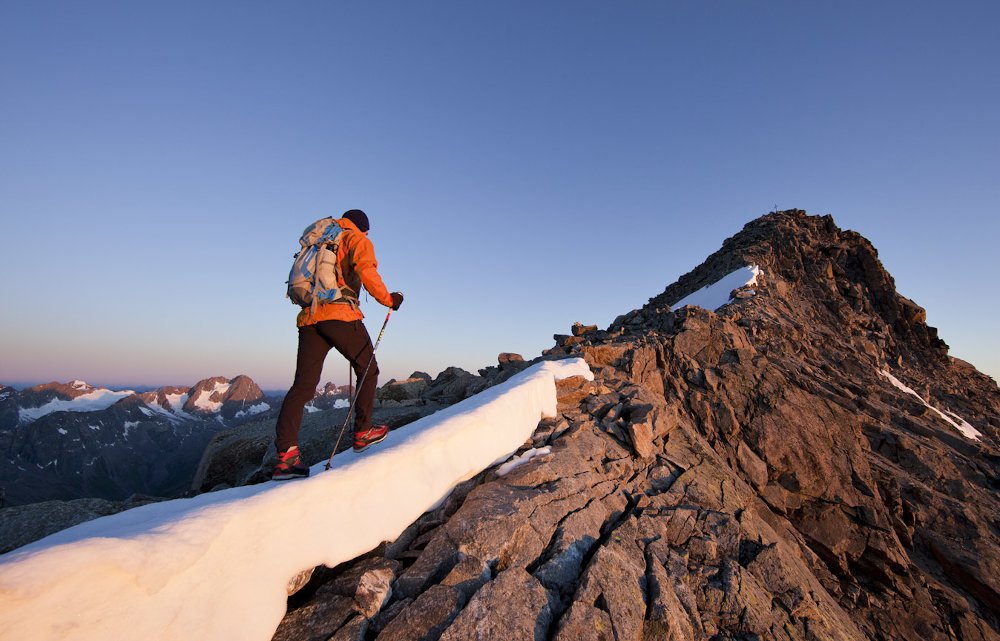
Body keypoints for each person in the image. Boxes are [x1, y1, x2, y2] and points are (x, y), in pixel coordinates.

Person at [272, 209, 403, 480]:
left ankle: (285, 459)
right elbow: (366, 270)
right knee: (368, 369)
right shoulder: (356, 239)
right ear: (363, 228)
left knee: (303, 386)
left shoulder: (321, 239)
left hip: (310, 318)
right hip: (339, 314)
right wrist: (389, 299)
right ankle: (364, 431)